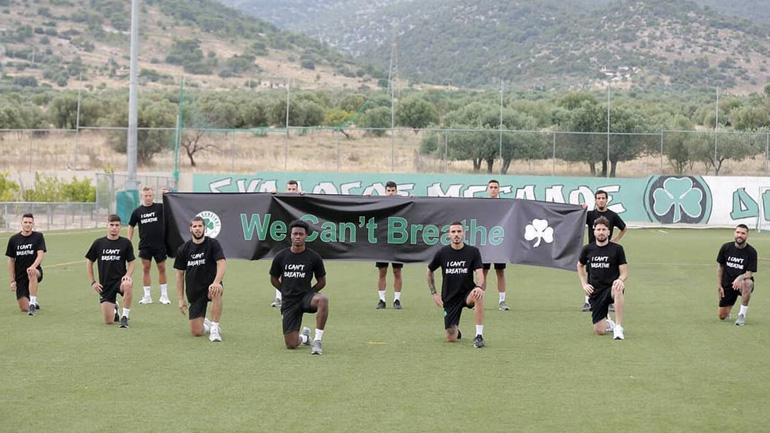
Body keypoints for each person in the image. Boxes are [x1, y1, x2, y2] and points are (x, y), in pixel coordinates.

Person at [269, 220, 329, 355]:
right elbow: (273, 279)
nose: (297, 236)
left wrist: (311, 292)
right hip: (289, 301)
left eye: (300, 234)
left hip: (306, 297)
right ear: (290, 236)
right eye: (295, 234)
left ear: (306, 236)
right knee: (291, 344)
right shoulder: (281, 256)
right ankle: (305, 337)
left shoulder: (314, 257)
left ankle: (318, 341)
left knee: (323, 300)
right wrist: (283, 291)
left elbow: (322, 281)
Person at [427, 221, 487, 349]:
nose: (456, 235)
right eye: (453, 232)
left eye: (459, 231)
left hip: (467, 293)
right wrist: (434, 293)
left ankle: (479, 336)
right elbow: (430, 270)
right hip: (450, 297)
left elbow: (480, 273)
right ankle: (456, 330)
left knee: (479, 295)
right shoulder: (442, 253)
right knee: (451, 338)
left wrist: (479, 287)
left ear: (464, 234)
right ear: (449, 235)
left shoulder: (473, 252)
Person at [174, 216, 226, 342]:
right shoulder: (183, 249)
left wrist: (216, 282)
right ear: (190, 229)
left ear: (204, 228)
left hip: (210, 286)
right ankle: (205, 325)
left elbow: (222, 263)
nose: (197, 229)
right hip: (194, 291)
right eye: (195, 226)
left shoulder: (213, 244)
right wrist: (181, 299)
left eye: (200, 226)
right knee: (196, 332)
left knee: (217, 290)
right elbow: (180, 275)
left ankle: (214, 329)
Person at [577, 216, 628, 340]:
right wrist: (584, 284)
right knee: (599, 331)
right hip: (595, 292)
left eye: (604, 229)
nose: (601, 232)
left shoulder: (617, 249)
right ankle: (609, 323)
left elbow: (624, 272)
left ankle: (618, 327)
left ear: (609, 232)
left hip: (610, 289)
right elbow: (580, 265)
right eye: (598, 229)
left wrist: (620, 280)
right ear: (594, 231)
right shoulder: (588, 249)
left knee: (618, 287)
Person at [580, 189, 627, 312]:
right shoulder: (590, 215)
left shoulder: (612, 215)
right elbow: (577, 219)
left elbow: (624, 228)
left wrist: (615, 240)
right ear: (595, 200)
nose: (601, 200)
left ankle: (610, 300)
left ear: (607, 200)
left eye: (603, 198)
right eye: (598, 198)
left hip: (608, 249)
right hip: (592, 250)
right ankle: (587, 301)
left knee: (610, 273)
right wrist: (582, 209)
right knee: (592, 274)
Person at [86, 214, 135, 328]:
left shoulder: (125, 243)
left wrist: (127, 275)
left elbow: (132, 263)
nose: (114, 228)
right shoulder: (98, 243)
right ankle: (115, 308)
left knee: (128, 284)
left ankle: (125, 317)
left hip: (120, 281)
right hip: (105, 285)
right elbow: (89, 262)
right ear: (107, 226)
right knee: (109, 321)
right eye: (111, 225)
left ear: (120, 227)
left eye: (117, 225)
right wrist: (93, 282)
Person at [128, 186, 170, 305]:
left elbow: (171, 207)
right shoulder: (137, 212)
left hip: (160, 245)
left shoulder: (160, 208)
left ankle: (164, 295)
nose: (148, 198)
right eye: (146, 196)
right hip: (145, 245)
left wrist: (167, 195)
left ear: (153, 196)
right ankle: (147, 296)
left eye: (150, 195)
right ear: (142, 196)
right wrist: (129, 240)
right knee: (146, 269)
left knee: (162, 268)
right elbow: (131, 226)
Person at [270, 180, 305, 309]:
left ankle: (301, 295)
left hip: (297, 241)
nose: (291, 192)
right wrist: (272, 196)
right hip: (282, 238)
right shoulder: (280, 201)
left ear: (297, 189)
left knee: (300, 269)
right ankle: (279, 297)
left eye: (293, 189)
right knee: (280, 268)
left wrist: (304, 196)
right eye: (289, 189)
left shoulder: (301, 200)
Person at [716, 224, 758, 326]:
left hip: (742, 283)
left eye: (743, 233)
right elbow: (720, 267)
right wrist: (719, 285)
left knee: (747, 283)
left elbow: (749, 273)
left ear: (747, 235)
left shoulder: (751, 252)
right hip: (728, 283)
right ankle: (729, 308)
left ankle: (741, 315)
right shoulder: (726, 247)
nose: (740, 235)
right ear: (734, 233)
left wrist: (739, 278)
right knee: (722, 316)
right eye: (738, 232)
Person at [5, 213, 46, 316]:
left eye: (30, 222)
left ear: (33, 224)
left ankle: (32, 303)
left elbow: (40, 255)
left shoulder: (38, 236)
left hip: (36, 272)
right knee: (23, 308)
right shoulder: (14, 239)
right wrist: (13, 280)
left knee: (31, 272)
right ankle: (32, 303)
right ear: (21, 223)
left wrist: (33, 266)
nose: (27, 224)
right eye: (25, 222)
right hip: (20, 276)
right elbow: (11, 261)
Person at [375, 181, 405, 309]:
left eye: (393, 190)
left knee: (397, 271)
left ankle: (396, 299)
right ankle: (381, 299)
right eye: (389, 190)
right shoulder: (380, 203)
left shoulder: (402, 203)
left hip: (397, 242)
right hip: (383, 242)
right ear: (385, 191)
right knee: (382, 271)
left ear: (396, 191)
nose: (391, 193)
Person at [482, 179, 510, 311]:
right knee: (483, 271)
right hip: (485, 243)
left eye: (495, 187)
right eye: (491, 187)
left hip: (499, 243)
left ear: (499, 189)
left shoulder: (504, 205)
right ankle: (479, 299)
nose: (493, 189)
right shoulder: (482, 204)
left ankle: (502, 301)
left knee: (500, 271)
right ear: (487, 189)